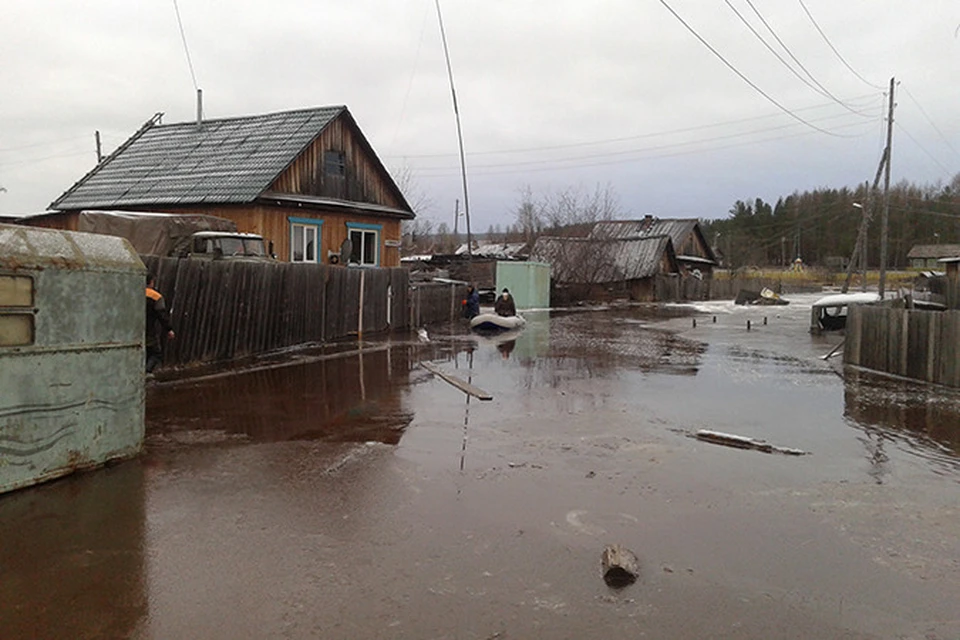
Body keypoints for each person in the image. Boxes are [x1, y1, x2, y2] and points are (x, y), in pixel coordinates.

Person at [145, 273, 175, 373]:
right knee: (156, 353)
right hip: (149, 330)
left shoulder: (134, 292)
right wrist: (169, 329)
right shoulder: (156, 297)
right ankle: (146, 372)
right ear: (151, 282)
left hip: (132, 330)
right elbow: (161, 315)